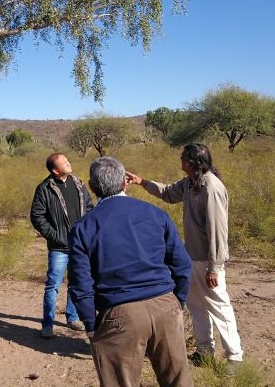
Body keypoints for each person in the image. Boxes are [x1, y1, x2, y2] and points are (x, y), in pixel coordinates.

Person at [68, 156, 193, 387]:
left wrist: (91, 324)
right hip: (165, 306)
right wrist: (177, 302)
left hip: (119, 313)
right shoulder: (156, 214)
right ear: (125, 183)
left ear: (92, 187)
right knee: (178, 381)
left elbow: (80, 283)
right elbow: (182, 264)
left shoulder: (84, 227)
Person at [126, 143, 244, 366]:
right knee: (197, 305)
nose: (180, 161)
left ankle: (235, 357)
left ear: (192, 162)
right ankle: (204, 351)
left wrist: (215, 267)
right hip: (192, 257)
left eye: (183, 158)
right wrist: (142, 182)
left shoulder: (212, 188)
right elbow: (169, 193)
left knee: (219, 306)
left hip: (207, 261)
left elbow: (218, 231)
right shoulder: (191, 183)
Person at [30, 153, 94, 338]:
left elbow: (89, 207)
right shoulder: (44, 188)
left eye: (68, 160)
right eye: (64, 162)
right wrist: (55, 236)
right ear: (55, 170)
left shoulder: (78, 183)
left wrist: (86, 231)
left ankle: (72, 318)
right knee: (53, 286)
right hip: (59, 247)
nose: (68, 163)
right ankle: (48, 323)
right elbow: (37, 216)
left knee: (76, 283)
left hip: (79, 244)